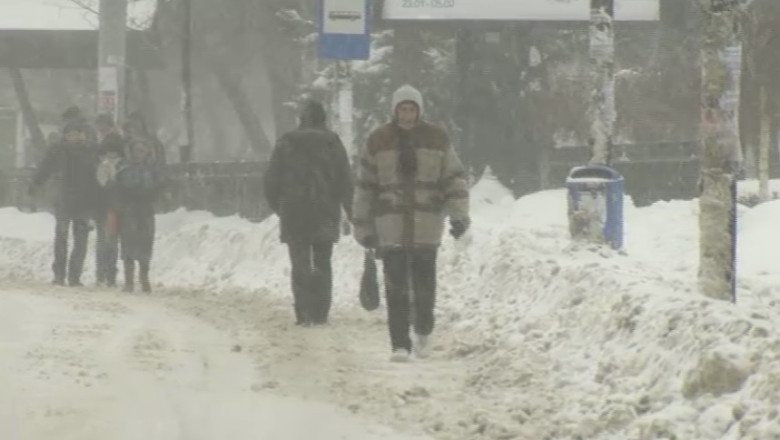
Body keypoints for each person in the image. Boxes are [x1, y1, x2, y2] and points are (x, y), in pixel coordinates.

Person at [352, 84, 471, 362]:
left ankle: (423, 330)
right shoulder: (378, 140)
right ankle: (400, 344)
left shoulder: (437, 139)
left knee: (424, 285)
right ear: (395, 111)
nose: (407, 115)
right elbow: (365, 186)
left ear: (419, 111)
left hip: (426, 226)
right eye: (403, 109)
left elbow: (453, 178)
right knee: (395, 287)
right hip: (389, 225)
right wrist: (363, 227)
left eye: (412, 109)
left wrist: (459, 215)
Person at [264, 100, 354, 326]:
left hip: (294, 212)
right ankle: (321, 312)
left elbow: (271, 180)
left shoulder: (286, 142)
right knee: (323, 262)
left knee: (300, 262)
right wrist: (350, 209)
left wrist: (280, 206)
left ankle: (303, 312)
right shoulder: (332, 142)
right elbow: (345, 179)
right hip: (325, 211)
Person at [29, 120, 100, 286]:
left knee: (81, 239)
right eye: (72, 134)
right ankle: (59, 274)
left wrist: (97, 200)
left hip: (84, 201)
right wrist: (36, 184)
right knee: (61, 236)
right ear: (65, 136)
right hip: (63, 200)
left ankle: (75, 276)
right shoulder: (57, 151)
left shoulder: (90, 152)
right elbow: (44, 168)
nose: (75, 137)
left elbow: (96, 178)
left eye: (78, 133)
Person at [114, 119, 165, 293]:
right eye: (137, 150)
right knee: (128, 244)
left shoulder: (153, 169)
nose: (140, 153)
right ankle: (129, 280)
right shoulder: (123, 168)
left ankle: (144, 277)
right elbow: (118, 187)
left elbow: (159, 186)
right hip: (129, 210)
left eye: (143, 150)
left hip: (146, 210)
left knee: (145, 244)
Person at [94, 113, 126, 287]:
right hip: (109, 204)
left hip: (109, 204)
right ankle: (107, 273)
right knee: (108, 239)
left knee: (106, 240)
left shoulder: (105, 160)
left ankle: (104, 273)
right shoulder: (116, 159)